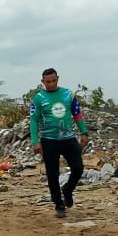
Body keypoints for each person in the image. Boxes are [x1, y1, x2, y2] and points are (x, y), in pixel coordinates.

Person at [29, 68, 89, 218]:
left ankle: (68, 189)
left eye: (53, 80)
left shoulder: (69, 94)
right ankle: (59, 204)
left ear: (58, 79)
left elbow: (77, 114)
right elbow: (34, 120)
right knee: (52, 174)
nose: (51, 84)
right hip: (49, 141)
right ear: (42, 82)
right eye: (47, 82)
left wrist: (84, 132)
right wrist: (35, 141)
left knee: (78, 168)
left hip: (68, 138)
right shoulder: (38, 98)